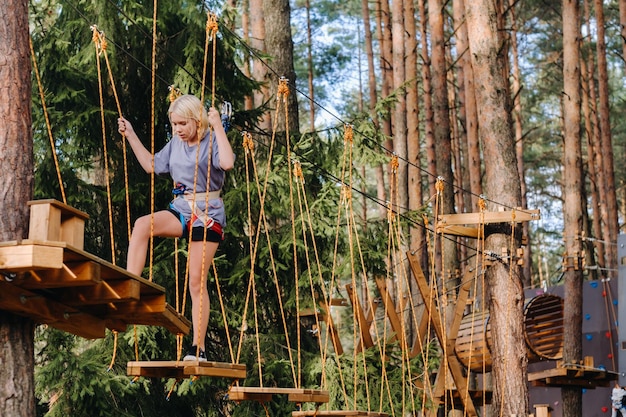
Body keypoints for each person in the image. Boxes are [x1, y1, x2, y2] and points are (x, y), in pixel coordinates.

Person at [118, 94, 235, 362]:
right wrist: (131, 135)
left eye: (183, 123)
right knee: (141, 225)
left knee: (196, 280)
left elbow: (227, 163)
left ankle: (198, 348)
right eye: (174, 125)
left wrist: (217, 125)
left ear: (196, 120)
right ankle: (130, 286)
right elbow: (151, 165)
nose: (178, 129)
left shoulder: (213, 139)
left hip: (208, 215)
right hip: (183, 209)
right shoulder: (175, 144)